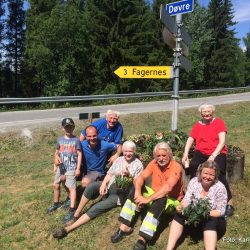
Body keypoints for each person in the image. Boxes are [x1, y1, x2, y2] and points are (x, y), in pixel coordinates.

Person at [52, 141, 144, 239]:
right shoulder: (119, 160)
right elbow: (110, 173)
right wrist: (104, 184)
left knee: (97, 207)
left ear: (134, 151)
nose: (127, 154)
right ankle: (76, 215)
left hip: (120, 194)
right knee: (91, 187)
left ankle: (68, 229)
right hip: (110, 185)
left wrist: (129, 175)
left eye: (130, 151)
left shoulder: (138, 165)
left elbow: (138, 185)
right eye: (125, 151)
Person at [111, 142, 184, 250]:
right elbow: (140, 177)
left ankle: (143, 238)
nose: (161, 158)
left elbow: (168, 188)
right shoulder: (154, 163)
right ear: (155, 156)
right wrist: (137, 193)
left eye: (164, 155)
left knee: (161, 199)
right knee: (136, 186)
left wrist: (147, 199)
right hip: (154, 193)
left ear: (169, 155)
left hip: (171, 200)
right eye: (158, 156)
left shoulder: (175, 166)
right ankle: (124, 226)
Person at [182, 103, 234, 217]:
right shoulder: (198, 125)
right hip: (201, 151)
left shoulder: (219, 122)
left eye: (209, 111)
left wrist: (213, 156)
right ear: (201, 114)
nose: (207, 113)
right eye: (204, 112)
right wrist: (185, 154)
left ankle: (229, 202)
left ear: (213, 112)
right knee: (194, 167)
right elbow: (191, 139)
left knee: (218, 172)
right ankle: (196, 196)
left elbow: (222, 142)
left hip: (217, 151)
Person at [166, 161, 227, 250]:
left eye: (211, 175)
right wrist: (181, 206)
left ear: (215, 176)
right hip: (195, 221)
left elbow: (221, 211)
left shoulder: (220, 187)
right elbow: (186, 200)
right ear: (200, 172)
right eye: (205, 173)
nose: (207, 177)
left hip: (215, 225)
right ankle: (169, 248)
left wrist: (205, 213)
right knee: (179, 215)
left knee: (210, 221)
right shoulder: (194, 182)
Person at [47, 118, 82, 218]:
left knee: (72, 187)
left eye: (70, 126)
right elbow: (56, 152)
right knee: (56, 185)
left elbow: (79, 154)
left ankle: (72, 208)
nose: (68, 128)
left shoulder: (76, 140)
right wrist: (55, 164)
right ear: (63, 128)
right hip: (61, 167)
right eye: (66, 127)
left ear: (73, 127)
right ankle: (56, 203)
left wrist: (78, 168)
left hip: (71, 168)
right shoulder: (60, 139)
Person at [80, 125, 117, 189]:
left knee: (84, 183)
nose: (92, 138)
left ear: (98, 135)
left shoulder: (104, 145)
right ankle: (70, 196)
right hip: (83, 169)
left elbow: (119, 146)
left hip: (97, 171)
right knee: (64, 176)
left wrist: (117, 155)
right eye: (89, 136)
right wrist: (57, 156)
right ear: (85, 136)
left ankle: (97, 184)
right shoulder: (82, 144)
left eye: (94, 135)